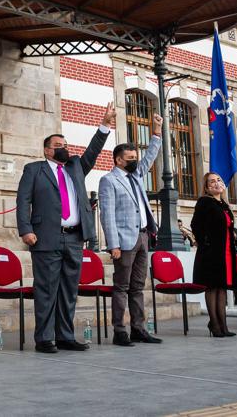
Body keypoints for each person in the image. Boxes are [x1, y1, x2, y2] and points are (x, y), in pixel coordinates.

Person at [18, 103, 115, 353]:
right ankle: (44, 338)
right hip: (45, 238)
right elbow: (23, 201)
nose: (63, 149)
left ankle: (65, 336)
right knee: (47, 289)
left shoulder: (75, 167)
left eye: (65, 145)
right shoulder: (34, 170)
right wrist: (25, 229)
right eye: (58, 146)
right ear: (47, 151)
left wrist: (104, 125)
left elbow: (92, 152)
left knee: (69, 290)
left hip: (74, 239)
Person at [98, 112, 164, 347]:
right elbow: (107, 214)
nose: (135, 160)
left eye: (135, 156)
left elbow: (150, 159)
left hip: (143, 237)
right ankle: (119, 330)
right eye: (129, 158)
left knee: (138, 286)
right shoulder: (108, 181)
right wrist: (113, 244)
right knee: (122, 286)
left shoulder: (136, 176)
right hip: (124, 241)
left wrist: (156, 133)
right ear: (118, 160)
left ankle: (139, 328)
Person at [191, 173, 237, 337]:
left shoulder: (224, 205)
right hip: (211, 252)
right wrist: (205, 242)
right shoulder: (205, 202)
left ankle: (223, 326)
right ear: (206, 187)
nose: (216, 183)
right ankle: (215, 325)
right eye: (211, 181)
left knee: (222, 288)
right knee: (212, 287)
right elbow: (195, 225)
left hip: (226, 252)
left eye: (219, 180)